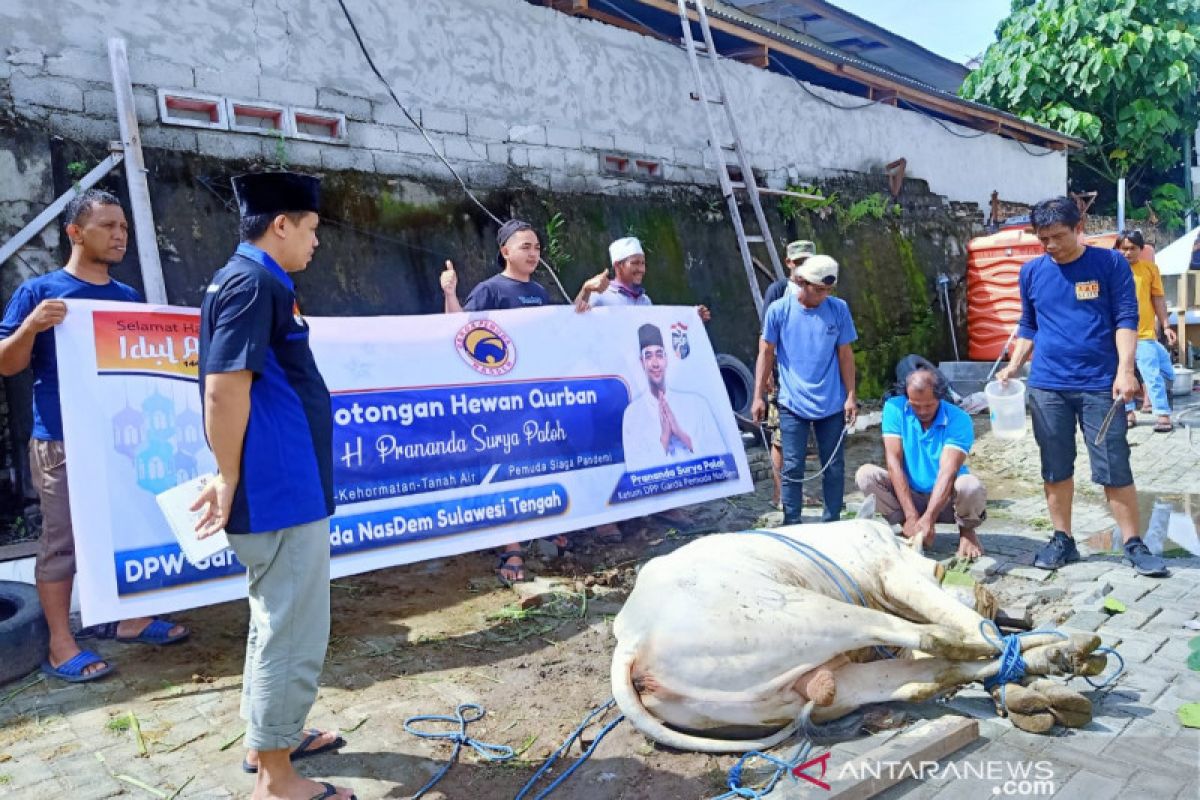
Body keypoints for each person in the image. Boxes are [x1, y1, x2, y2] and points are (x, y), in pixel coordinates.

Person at [191, 171, 354, 800]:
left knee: (274, 617)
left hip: (286, 483)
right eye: (311, 229)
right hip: (280, 489)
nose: (316, 242)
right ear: (281, 224)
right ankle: (277, 779)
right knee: (292, 627)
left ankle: (269, 740)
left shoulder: (253, 282)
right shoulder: (252, 282)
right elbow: (223, 388)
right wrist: (227, 476)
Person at [0, 189, 189, 683]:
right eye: (108, 226)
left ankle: (128, 619)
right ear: (75, 233)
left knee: (125, 529)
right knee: (62, 542)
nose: (120, 234)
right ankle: (62, 643)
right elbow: (7, 364)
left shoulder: (126, 300)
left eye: (123, 226)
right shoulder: (40, 293)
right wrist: (32, 328)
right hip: (61, 441)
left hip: (118, 442)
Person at [995, 196, 1167, 577]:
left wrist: (1125, 371)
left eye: (1058, 236)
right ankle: (1062, 539)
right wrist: (1012, 366)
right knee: (1054, 466)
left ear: (1079, 228)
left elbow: (1125, 318)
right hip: (1047, 387)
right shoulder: (1032, 272)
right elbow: (1028, 325)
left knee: (1113, 463)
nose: (1051, 245)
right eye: (1043, 239)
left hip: (1099, 386)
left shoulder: (1109, 264)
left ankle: (1133, 542)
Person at [441, 220, 561, 583]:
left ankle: (545, 526)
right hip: (499, 401)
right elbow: (459, 332)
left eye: (537, 247)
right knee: (506, 468)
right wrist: (450, 294)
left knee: (540, 462)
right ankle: (511, 548)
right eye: (525, 246)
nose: (533, 253)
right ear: (505, 251)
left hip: (535, 397)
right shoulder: (489, 291)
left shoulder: (540, 292)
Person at [751, 254, 857, 524]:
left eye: (828, 290)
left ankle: (832, 520)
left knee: (833, 466)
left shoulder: (838, 309)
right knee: (793, 465)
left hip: (831, 400)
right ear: (801, 282)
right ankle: (792, 521)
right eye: (818, 290)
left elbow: (845, 354)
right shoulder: (779, 310)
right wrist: (758, 396)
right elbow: (766, 353)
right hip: (792, 401)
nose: (823, 296)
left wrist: (851, 396)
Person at [856, 368, 987, 557]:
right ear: (907, 398)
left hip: (948, 500)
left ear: (940, 398)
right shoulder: (894, 408)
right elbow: (893, 462)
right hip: (911, 495)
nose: (922, 411)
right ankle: (909, 526)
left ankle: (967, 532)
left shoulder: (959, 419)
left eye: (929, 405)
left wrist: (930, 518)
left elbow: (947, 472)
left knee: (969, 485)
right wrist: (910, 515)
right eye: (915, 406)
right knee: (866, 475)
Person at [621, 323, 727, 471]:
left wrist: (681, 434)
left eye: (659, 355)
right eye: (648, 356)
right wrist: (664, 438)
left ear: (666, 359)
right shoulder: (632, 414)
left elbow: (721, 455)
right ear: (642, 363)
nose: (655, 363)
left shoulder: (697, 403)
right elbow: (634, 468)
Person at [761, 240, 816, 508]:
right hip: (783, 376)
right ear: (789, 263)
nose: (804, 267)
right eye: (799, 262)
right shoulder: (779, 291)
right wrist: (767, 374)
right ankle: (780, 493)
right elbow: (765, 338)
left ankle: (796, 491)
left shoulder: (821, 292)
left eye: (809, 261)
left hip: (812, 379)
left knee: (801, 438)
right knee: (782, 438)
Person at [1115, 230, 1176, 432]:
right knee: (1123, 374)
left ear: (1141, 249)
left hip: (1144, 335)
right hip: (1118, 335)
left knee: (1156, 375)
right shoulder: (1111, 271)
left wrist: (1166, 326)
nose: (1128, 253)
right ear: (1117, 249)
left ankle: (1162, 413)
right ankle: (1129, 413)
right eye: (1124, 248)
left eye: (1133, 248)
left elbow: (1158, 298)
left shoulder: (1150, 269)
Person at [574, 236, 711, 322]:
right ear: (618, 265)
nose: (641, 269)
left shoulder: (645, 301)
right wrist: (586, 289)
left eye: (643, 263)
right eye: (635, 263)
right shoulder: (601, 294)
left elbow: (662, 327)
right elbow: (573, 317)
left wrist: (692, 318)